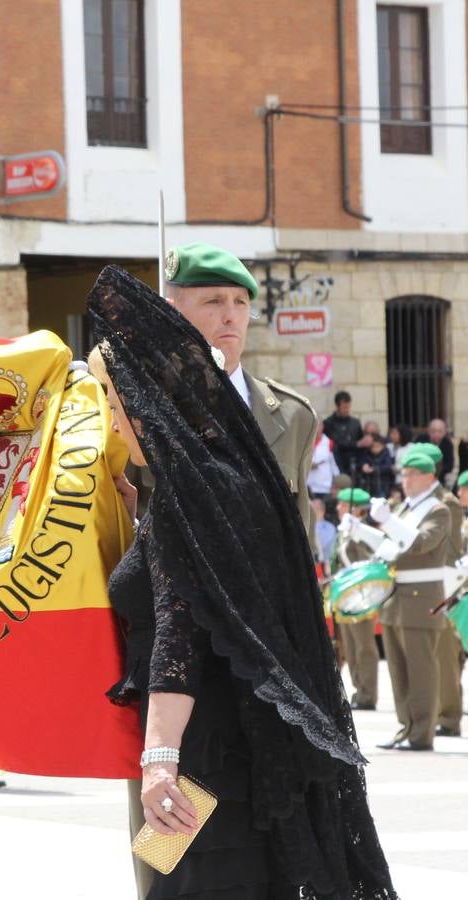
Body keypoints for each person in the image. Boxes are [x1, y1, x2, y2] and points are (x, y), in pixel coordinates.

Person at [87, 265, 396, 899]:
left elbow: (180, 636)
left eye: (117, 405)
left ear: (148, 402)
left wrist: (159, 761)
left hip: (202, 758)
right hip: (251, 749)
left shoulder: (187, 497)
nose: (115, 423)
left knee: (191, 886)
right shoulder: (232, 475)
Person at [163, 243, 317, 532]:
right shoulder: (142, 408)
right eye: (214, 302)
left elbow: (300, 539)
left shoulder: (294, 417)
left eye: (241, 302)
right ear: (173, 312)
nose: (230, 316)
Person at [369, 451, 451, 751]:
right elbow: (390, 547)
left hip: (421, 598)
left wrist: (389, 520)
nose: (406, 480)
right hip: (396, 598)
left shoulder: (439, 510)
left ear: (429, 476)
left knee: (421, 671)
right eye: (403, 474)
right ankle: (406, 727)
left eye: (413, 474)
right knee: (399, 671)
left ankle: (421, 733)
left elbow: (419, 544)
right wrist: (362, 530)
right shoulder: (406, 507)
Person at [412, 443, 464, 737]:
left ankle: (450, 716)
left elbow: (451, 548)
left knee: (444, 653)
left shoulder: (447, 502)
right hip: (425, 586)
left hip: (443, 584)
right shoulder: (419, 501)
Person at [331, 488, 379, 710]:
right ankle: (359, 690)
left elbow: (366, 564)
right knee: (349, 647)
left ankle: (368, 693)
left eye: (343, 504)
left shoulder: (363, 533)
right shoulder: (343, 532)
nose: (339, 508)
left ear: (357, 510)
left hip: (360, 597)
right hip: (344, 595)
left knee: (363, 646)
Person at [323, 391, 365, 477]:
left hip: (354, 466)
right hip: (336, 464)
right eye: (344, 407)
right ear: (337, 406)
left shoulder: (355, 423)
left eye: (348, 407)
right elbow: (334, 443)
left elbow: (361, 443)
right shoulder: (328, 423)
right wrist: (356, 444)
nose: (347, 410)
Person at [415, 418, 454, 485]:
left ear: (444, 432)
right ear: (428, 431)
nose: (436, 434)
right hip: (420, 475)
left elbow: (449, 464)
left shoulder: (447, 444)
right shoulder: (421, 440)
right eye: (433, 431)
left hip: (440, 477)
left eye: (440, 431)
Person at [307, 419, 338, 499]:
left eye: (318, 425)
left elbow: (335, 467)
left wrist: (335, 486)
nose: (316, 428)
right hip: (308, 486)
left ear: (322, 427)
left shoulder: (329, 443)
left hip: (324, 487)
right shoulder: (305, 443)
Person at [359, 433, 393, 498]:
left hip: (382, 484)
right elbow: (362, 462)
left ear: (383, 446)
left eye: (377, 446)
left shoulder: (386, 454)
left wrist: (374, 469)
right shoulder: (367, 453)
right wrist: (363, 465)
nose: (374, 449)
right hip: (369, 484)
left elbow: (388, 467)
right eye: (372, 446)